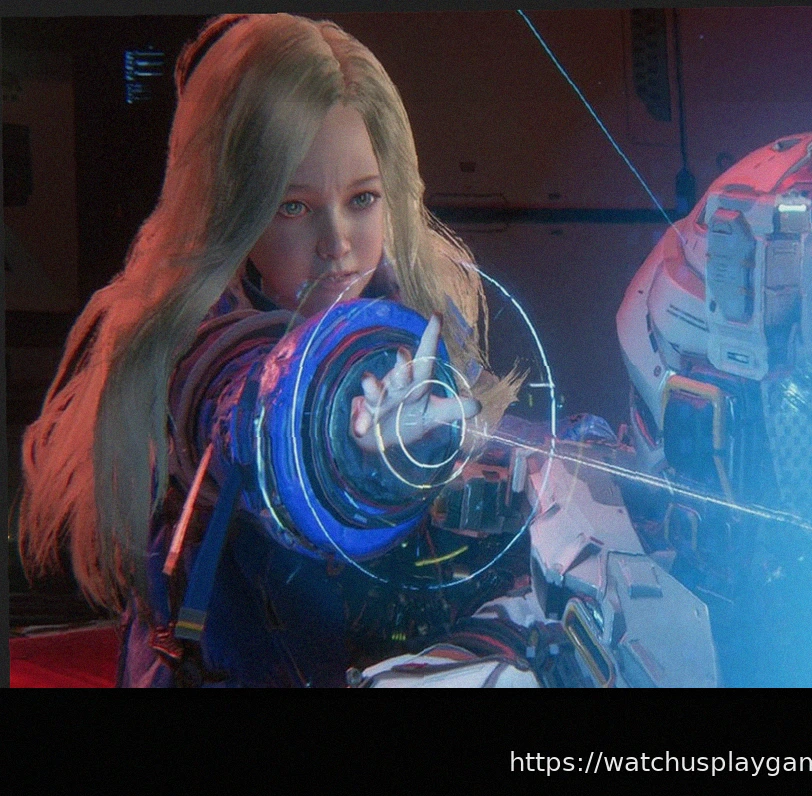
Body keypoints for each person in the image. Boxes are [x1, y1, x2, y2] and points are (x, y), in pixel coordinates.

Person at [19, 13, 522, 687]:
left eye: (362, 198)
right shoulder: (198, 340)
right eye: (293, 206)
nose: (337, 244)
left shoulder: (419, 322)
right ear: (234, 207)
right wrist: (345, 446)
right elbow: (249, 412)